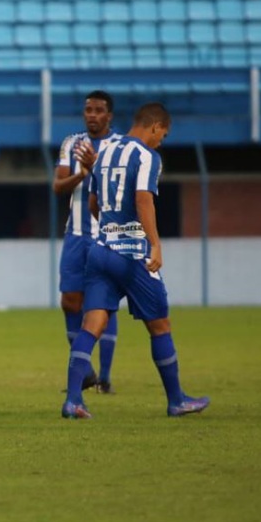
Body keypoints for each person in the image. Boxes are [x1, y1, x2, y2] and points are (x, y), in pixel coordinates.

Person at [62, 102, 210, 419]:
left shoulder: (106, 151)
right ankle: (176, 400)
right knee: (160, 325)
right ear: (154, 127)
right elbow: (143, 200)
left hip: (99, 251)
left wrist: (109, 227)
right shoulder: (146, 156)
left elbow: (92, 202)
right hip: (131, 255)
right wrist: (155, 245)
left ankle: (74, 400)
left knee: (92, 325)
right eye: (163, 135)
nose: (161, 141)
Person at [55, 91, 123, 394]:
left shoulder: (120, 147)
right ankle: (87, 373)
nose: (91, 115)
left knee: (104, 304)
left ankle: (105, 377)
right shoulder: (72, 143)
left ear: (109, 115)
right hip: (76, 234)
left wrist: (95, 170)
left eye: (98, 110)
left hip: (107, 235)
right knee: (70, 300)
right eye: (87, 110)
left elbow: (123, 187)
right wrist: (81, 174)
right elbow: (58, 186)